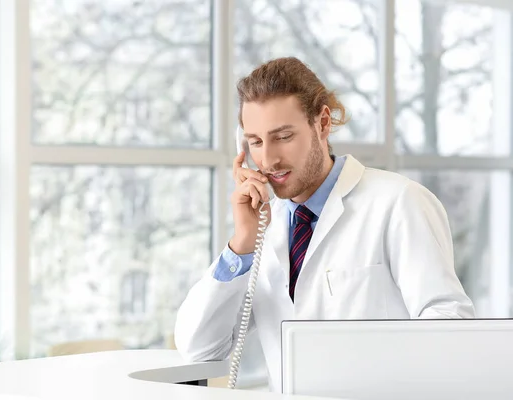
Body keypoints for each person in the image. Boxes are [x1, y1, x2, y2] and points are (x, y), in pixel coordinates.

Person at [174, 56, 475, 392]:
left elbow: (451, 328)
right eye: (256, 142)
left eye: (283, 136)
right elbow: (197, 348)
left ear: (322, 122)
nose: (269, 159)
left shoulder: (399, 202)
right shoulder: (261, 232)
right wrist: (241, 244)